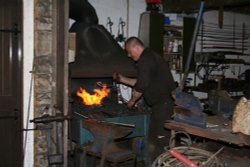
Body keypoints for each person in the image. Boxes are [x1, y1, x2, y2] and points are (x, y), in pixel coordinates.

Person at [113, 36, 176, 164]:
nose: (129, 55)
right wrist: (122, 79)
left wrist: (131, 101)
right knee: (155, 139)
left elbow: (140, 87)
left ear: (136, 47)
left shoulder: (145, 60)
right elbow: (142, 82)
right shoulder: (150, 57)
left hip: (163, 106)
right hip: (161, 105)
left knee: (159, 141)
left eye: (129, 52)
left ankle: (162, 164)